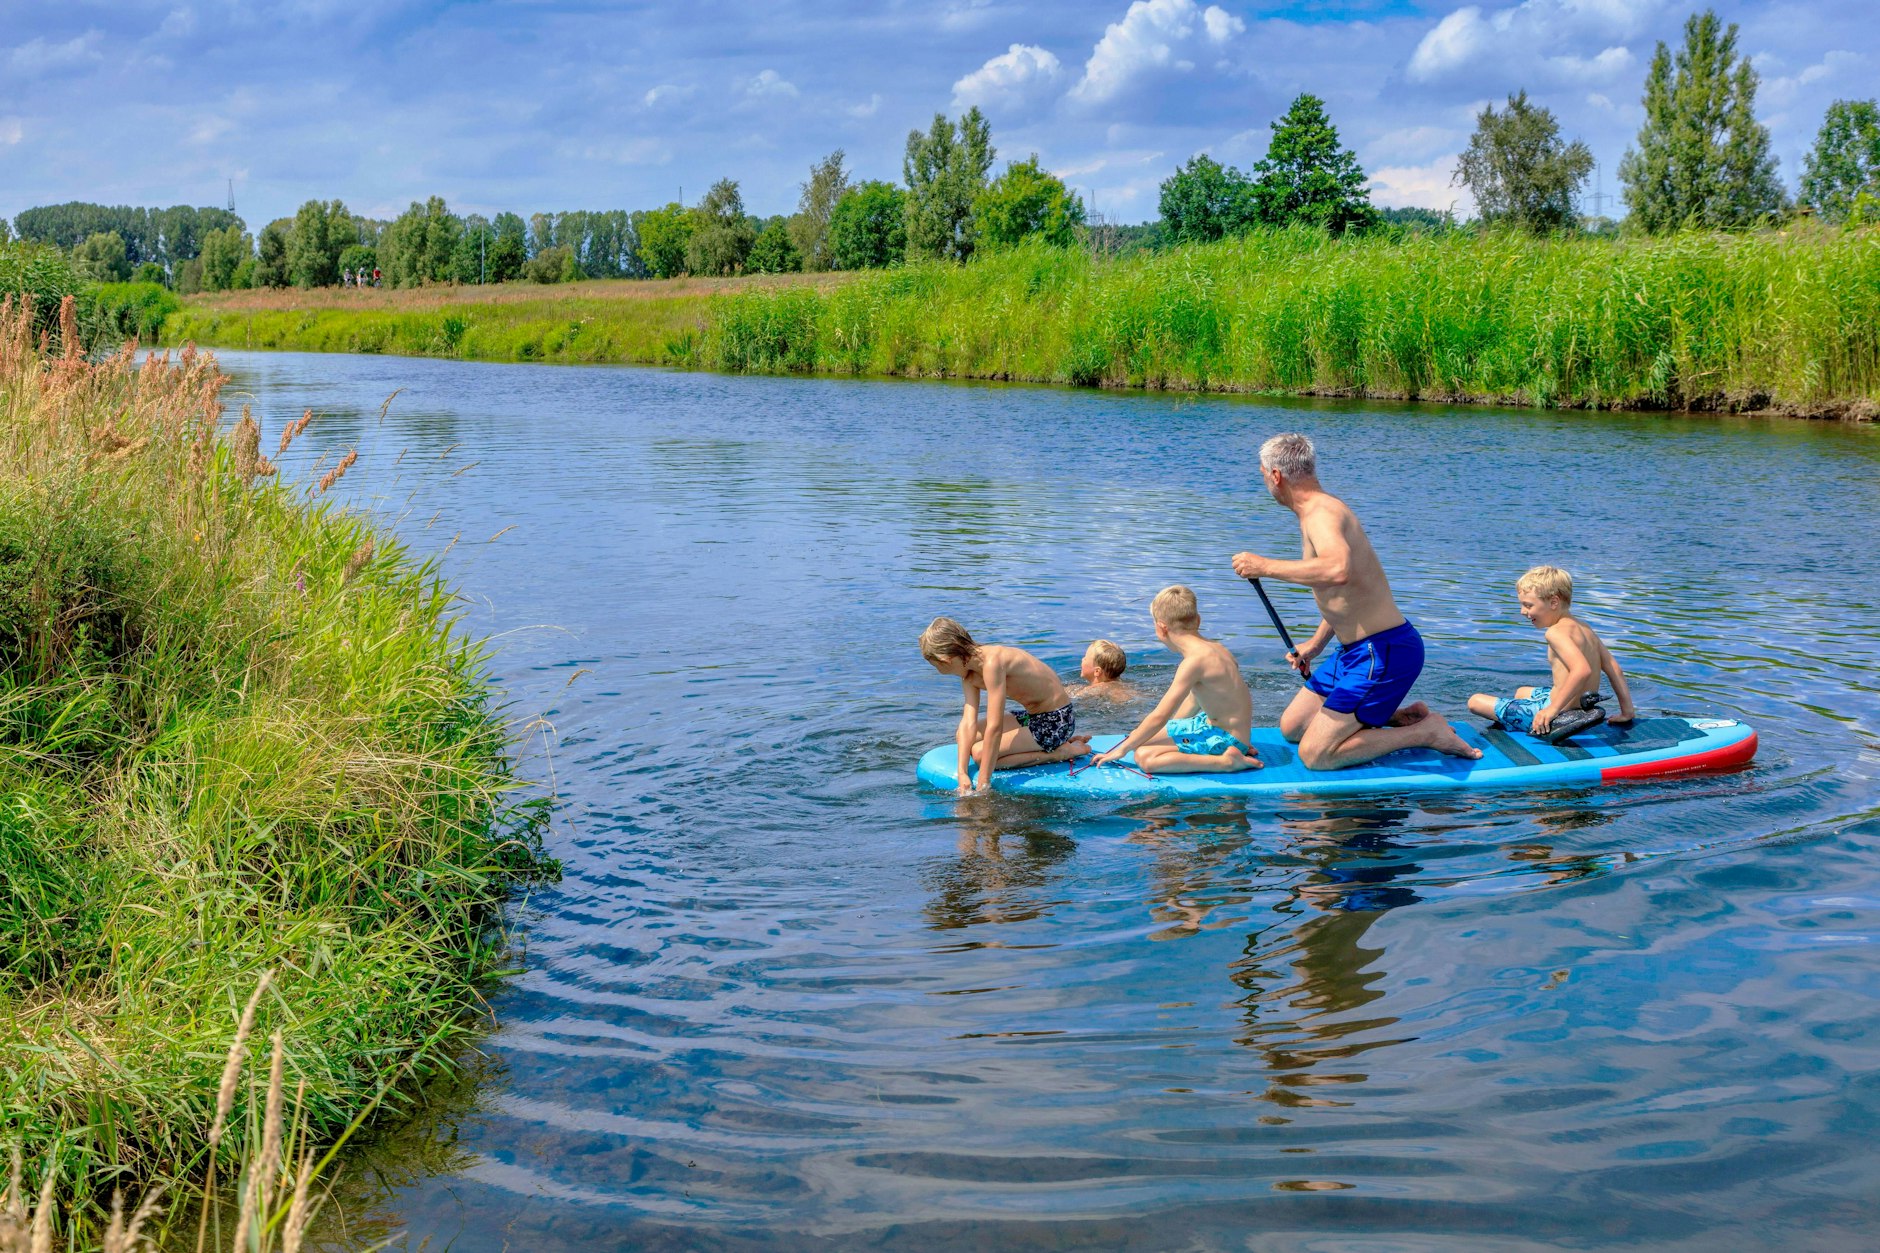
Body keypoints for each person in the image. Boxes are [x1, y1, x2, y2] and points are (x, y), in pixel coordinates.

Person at [1230, 433, 1482, 769]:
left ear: (1276, 475)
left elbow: (1338, 570)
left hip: (1384, 652)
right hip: (1355, 653)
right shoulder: (1314, 513)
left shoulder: (1322, 514)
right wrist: (1316, 645)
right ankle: (1396, 716)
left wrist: (1264, 566)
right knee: (1293, 728)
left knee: (1314, 756)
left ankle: (1427, 733)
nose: (1265, 483)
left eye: (1263, 475)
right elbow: (1345, 593)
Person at [1089, 586, 1260, 775]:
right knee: (1141, 738)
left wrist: (1121, 750)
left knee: (1144, 756)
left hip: (1225, 737)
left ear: (1162, 628)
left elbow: (1160, 715)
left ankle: (1226, 761)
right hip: (1224, 729)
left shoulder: (1193, 663)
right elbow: (1196, 699)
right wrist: (1171, 730)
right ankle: (1237, 744)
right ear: (1198, 619)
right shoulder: (1218, 649)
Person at [920, 617, 1090, 795]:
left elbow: (995, 726)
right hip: (1031, 716)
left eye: (934, 665)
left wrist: (983, 784)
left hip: (1058, 721)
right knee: (971, 735)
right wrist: (962, 772)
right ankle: (1043, 745)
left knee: (979, 753)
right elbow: (967, 724)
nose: (937, 670)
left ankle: (1062, 752)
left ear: (945, 660)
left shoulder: (992, 663)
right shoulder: (970, 674)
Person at [1468, 565, 1636, 735]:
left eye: (1528, 605)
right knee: (1521, 692)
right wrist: (1627, 711)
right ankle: (1555, 709)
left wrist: (1552, 711)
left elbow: (1581, 670)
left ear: (1554, 602)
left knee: (1475, 702)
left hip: (1559, 710)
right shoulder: (1584, 628)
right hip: (1581, 703)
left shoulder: (1555, 632)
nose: (1522, 611)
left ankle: (1546, 720)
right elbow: (1614, 668)